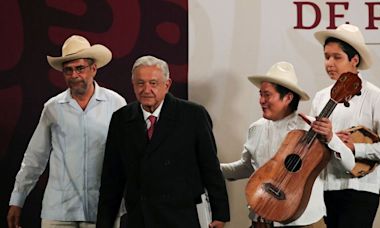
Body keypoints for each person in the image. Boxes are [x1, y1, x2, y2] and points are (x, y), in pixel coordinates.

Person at [96, 55, 230, 228]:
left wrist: (220, 213)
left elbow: (210, 167)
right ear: (133, 85)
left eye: (153, 83)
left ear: (167, 85)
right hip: (139, 218)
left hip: (181, 217)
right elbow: (112, 178)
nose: (146, 89)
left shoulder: (192, 115)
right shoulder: (121, 119)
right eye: (140, 83)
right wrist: (104, 223)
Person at [7, 35, 127, 228]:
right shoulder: (53, 108)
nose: (74, 75)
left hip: (102, 208)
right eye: (68, 70)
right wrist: (17, 200)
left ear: (93, 69)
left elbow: (128, 156)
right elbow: (34, 158)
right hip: (59, 211)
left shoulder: (116, 104)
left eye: (80, 68)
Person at [220, 61, 355, 228]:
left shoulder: (312, 127)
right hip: (261, 220)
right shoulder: (256, 128)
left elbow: (349, 164)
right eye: (260, 94)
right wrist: (210, 168)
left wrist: (331, 138)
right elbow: (248, 167)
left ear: (288, 98)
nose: (261, 100)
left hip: (303, 222)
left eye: (267, 95)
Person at [312, 24, 380, 228]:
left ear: (354, 60)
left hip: (362, 189)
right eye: (326, 56)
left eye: (337, 57)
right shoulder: (320, 97)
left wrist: (355, 147)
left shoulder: (375, 96)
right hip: (326, 188)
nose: (329, 63)